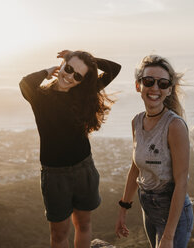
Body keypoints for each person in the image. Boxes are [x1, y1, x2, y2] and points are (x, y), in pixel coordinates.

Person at [19, 50, 121, 248]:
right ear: (62, 65)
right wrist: (50, 70)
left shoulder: (82, 93)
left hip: (84, 168)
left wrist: (89, 62)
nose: (70, 76)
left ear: (83, 81)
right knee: (59, 234)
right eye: (69, 69)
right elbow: (25, 83)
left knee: (84, 224)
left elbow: (114, 69)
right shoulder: (40, 97)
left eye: (78, 76)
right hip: (55, 175)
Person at [115, 55, 194, 248]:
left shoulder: (174, 126)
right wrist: (123, 209)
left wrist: (168, 237)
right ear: (138, 85)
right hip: (148, 209)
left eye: (163, 83)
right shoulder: (137, 122)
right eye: (149, 81)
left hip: (172, 214)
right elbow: (135, 167)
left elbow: (181, 182)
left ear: (169, 89)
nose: (155, 88)